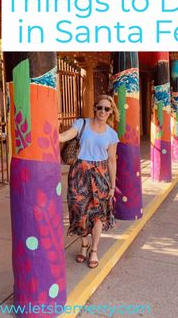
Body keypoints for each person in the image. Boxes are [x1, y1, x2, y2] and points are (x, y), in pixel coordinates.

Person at [59, 94, 119, 268]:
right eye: (99, 107)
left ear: (111, 112)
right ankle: (84, 243)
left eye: (106, 109)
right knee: (79, 211)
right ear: (94, 108)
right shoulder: (81, 124)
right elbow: (64, 136)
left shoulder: (111, 134)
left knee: (98, 214)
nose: (102, 111)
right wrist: (48, 132)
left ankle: (94, 250)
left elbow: (112, 161)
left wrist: (113, 186)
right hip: (79, 172)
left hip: (101, 175)